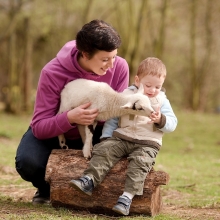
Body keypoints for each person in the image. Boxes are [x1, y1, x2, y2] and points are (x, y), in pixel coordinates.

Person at [15, 19, 129, 205]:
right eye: (105, 59)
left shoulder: (120, 68)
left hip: (98, 130)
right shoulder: (52, 72)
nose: (112, 65)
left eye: (114, 57)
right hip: (57, 132)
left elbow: (117, 114)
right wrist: (70, 117)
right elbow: (39, 127)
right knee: (28, 162)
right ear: (85, 54)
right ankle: (46, 188)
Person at [69, 57, 178, 216]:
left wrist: (161, 120)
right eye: (148, 85)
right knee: (104, 150)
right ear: (137, 80)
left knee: (140, 164)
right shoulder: (127, 94)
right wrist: (106, 138)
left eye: (158, 86)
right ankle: (89, 180)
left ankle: (126, 198)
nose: (153, 90)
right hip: (122, 137)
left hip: (147, 143)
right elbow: (114, 117)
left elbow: (173, 124)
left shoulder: (161, 101)